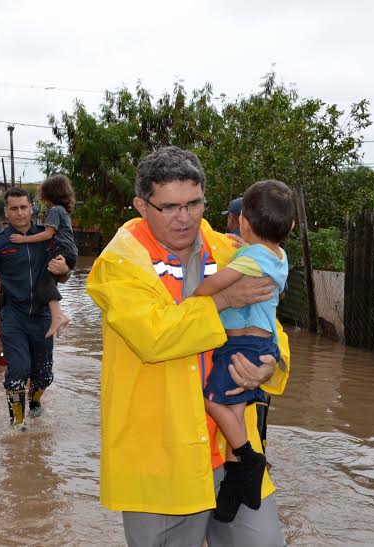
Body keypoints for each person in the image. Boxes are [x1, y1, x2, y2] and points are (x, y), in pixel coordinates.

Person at [85, 146, 291, 546]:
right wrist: (223, 300)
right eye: (169, 207)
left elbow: (272, 326)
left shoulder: (232, 251)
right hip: (161, 459)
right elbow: (155, 336)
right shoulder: (119, 264)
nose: (185, 217)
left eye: (194, 204)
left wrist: (271, 364)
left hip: (234, 450)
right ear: (142, 206)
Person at [193, 180, 294, 522]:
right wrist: (243, 247)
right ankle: (237, 481)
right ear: (290, 228)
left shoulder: (251, 258)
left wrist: (196, 295)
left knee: (212, 402)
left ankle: (248, 458)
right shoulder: (278, 256)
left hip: (241, 345)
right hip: (261, 343)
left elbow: (211, 287)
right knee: (234, 410)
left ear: (243, 222)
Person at [0, 187, 71, 431]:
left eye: (24, 207)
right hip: (13, 316)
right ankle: (17, 424)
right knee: (18, 369)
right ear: (6, 212)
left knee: (43, 373)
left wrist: (65, 271)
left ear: (32, 208)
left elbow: (62, 274)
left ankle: (35, 402)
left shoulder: (48, 238)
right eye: (14, 209)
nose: (20, 213)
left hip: (43, 315)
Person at [8, 174, 78, 338]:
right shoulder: (63, 212)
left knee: (44, 284)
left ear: (49, 194)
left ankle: (58, 316)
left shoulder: (54, 210)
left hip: (61, 251)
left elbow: (48, 234)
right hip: (69, 252)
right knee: (47, 284)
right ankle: (59, 316)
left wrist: (23, 239)